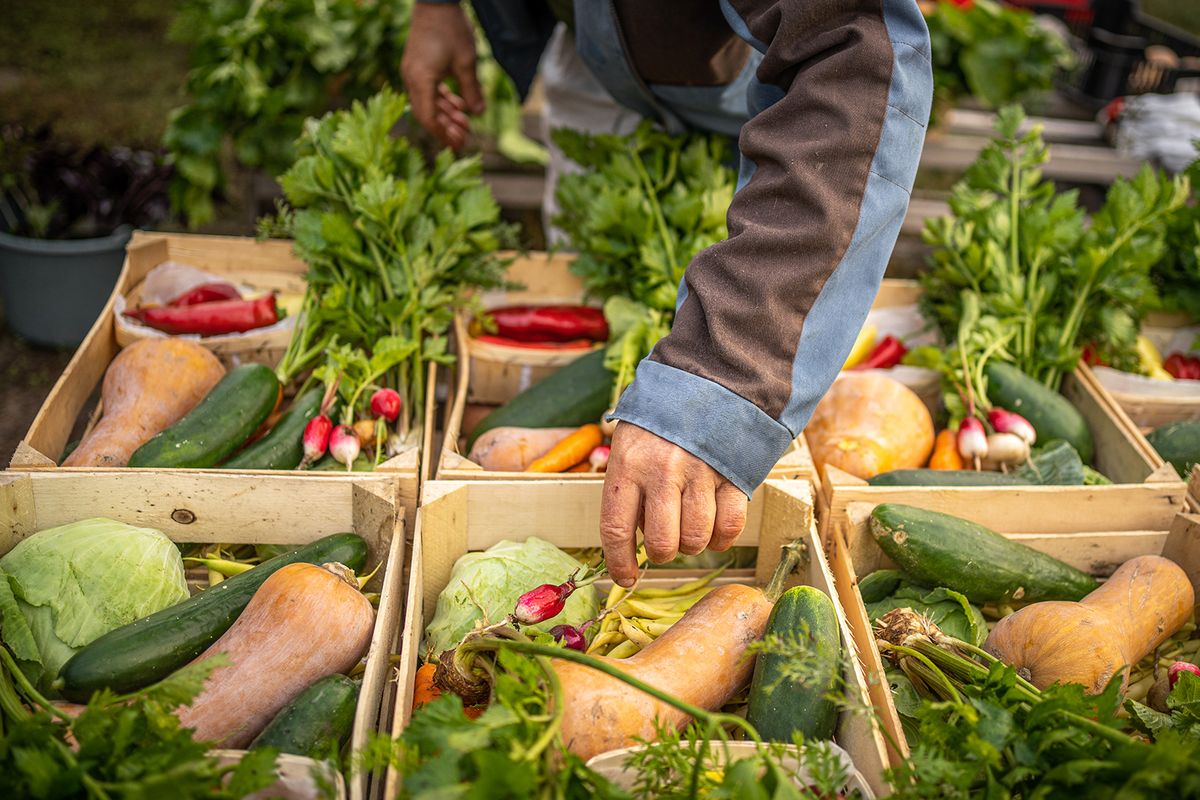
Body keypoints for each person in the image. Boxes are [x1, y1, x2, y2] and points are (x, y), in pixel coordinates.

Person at [402, 0, 932, 587]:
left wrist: (719, 377)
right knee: (592, 265)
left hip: (756, 84)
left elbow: (855, 57)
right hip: (591, 54)